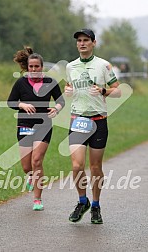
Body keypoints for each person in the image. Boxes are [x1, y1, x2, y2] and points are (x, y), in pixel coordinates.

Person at [64, 29, 121, 224]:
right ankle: (82, 201)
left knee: (95, 167)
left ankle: (96, 205)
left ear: (93, 43)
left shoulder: (103, 65)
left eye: (86, 40)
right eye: (79, 40)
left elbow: (118, 91)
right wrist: (68, 90)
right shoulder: (70, 66)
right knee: (77, 165)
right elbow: (69, 89)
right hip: (78, 120)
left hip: (98, 121)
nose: (82, 43)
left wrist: (104, 90)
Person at [7, 46, 65, 211]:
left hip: (44, 125)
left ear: (42, 67)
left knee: (37, 161)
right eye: (31, 66)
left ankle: (37, 199)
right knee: (27, 167)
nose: (34, 69)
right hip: (24, 125)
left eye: (37, 66)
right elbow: (11, 102)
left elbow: (61, 101)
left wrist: (57, 108)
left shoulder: (50, 82)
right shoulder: (21, 82)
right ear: (28, 67)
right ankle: (30, 177)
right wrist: (22, 104)